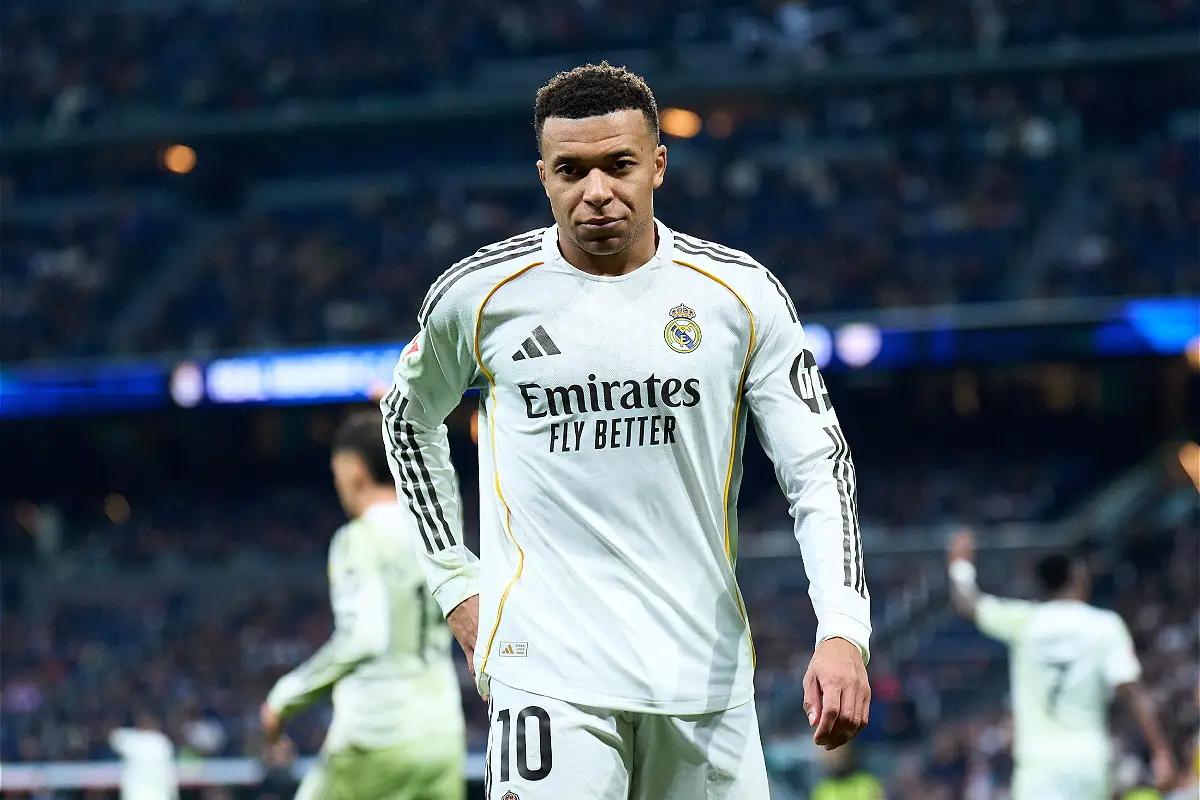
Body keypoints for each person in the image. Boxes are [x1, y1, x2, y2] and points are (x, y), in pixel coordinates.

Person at [380, 62, 871, 799]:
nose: (597, 191)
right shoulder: (479, 295)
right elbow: (405, 416)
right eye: (571, 171)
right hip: (547, 674)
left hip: (702, 679)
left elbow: (816, 466)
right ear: (544, 176)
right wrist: (456, 582)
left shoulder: (739, 296)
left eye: (619, 165)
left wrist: (841, 627)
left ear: (659, 165)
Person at [262, 411, 466, 800]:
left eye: (336, 474)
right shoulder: (435, 531)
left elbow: (365, 635)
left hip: (378, 732)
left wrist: (283, 698)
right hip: (442, 733)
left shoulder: (359, 539)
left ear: (354, 471)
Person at [946, 530, 1176, 800]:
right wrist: (1160, 750)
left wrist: (959, 564)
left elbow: (968, 603)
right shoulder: (1103, 625)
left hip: (1039, 765)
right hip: (1088, 761)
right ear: (1078, 578)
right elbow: (1133, 692)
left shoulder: (1024, 622)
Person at [108, 713, 179, 800]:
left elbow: (113, 735)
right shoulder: (162, 741)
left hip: (146, 792)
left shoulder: (133, 740)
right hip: (146, 793)